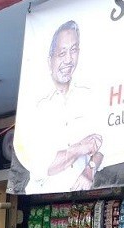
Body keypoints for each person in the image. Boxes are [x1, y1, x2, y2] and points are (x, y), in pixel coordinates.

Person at [23, 20, 103, 193]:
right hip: (45, 195)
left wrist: (90, 168)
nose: (68, 60)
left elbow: (102, 146)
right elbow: (46, 166)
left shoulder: (88, 96)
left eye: (73, 51)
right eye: (61, 53)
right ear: (49, 60)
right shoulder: (36, 106)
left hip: (84, 193)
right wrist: (81, 147)